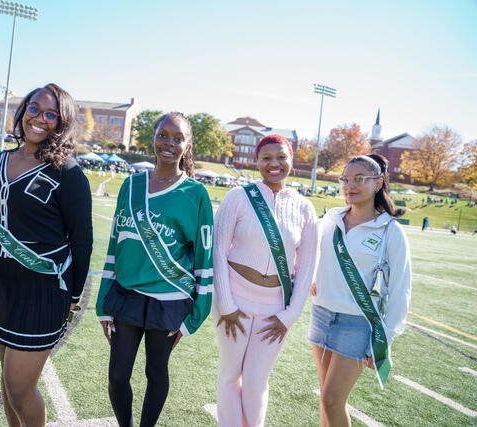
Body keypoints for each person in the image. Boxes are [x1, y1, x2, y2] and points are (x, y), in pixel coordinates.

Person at [0, 83, 93, 426]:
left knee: (19, 387)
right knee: (7, 381)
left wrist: (73, 295)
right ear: (23, 110)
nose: (39, 119)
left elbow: (82, 241)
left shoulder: (67, 172)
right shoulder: (0, 160)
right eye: (34, 108)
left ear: (61, 123)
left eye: (51, 114)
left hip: (42, 290)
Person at [96, 112, 213, 427]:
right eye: (164, 135)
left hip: (169, 299)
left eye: (178, 138)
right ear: (153, 138)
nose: (169, 143)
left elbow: (205, 256)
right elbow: (114, 245)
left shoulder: (196, 194)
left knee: (155, 371)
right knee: (118, 375)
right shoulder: (131, 185)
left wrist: (198, 311)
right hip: (127, 295)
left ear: (186, 146)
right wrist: (102, 303)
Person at [212, 134, 319, 426]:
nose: (274, 163)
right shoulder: (238, 196)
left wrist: (290, 315)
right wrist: (226, 304)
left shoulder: (305, 208)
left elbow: (307, 265)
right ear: (257, 161)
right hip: (234, 299)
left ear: (291, 160)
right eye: (267, 157)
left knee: (257, 381)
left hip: (276, 308)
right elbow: (218, 252)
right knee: (230, 376)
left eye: (281, 157)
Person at [309, 154, 412, 426]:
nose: (349, 186)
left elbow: (401, 289)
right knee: (325, 399)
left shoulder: (390, 230)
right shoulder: (331, 218)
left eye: (359, 179)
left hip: (357, 325)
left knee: (333, 399)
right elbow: (313, 253)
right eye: (345, 179)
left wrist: (385, 338)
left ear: (378, 183)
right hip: (321, 314)